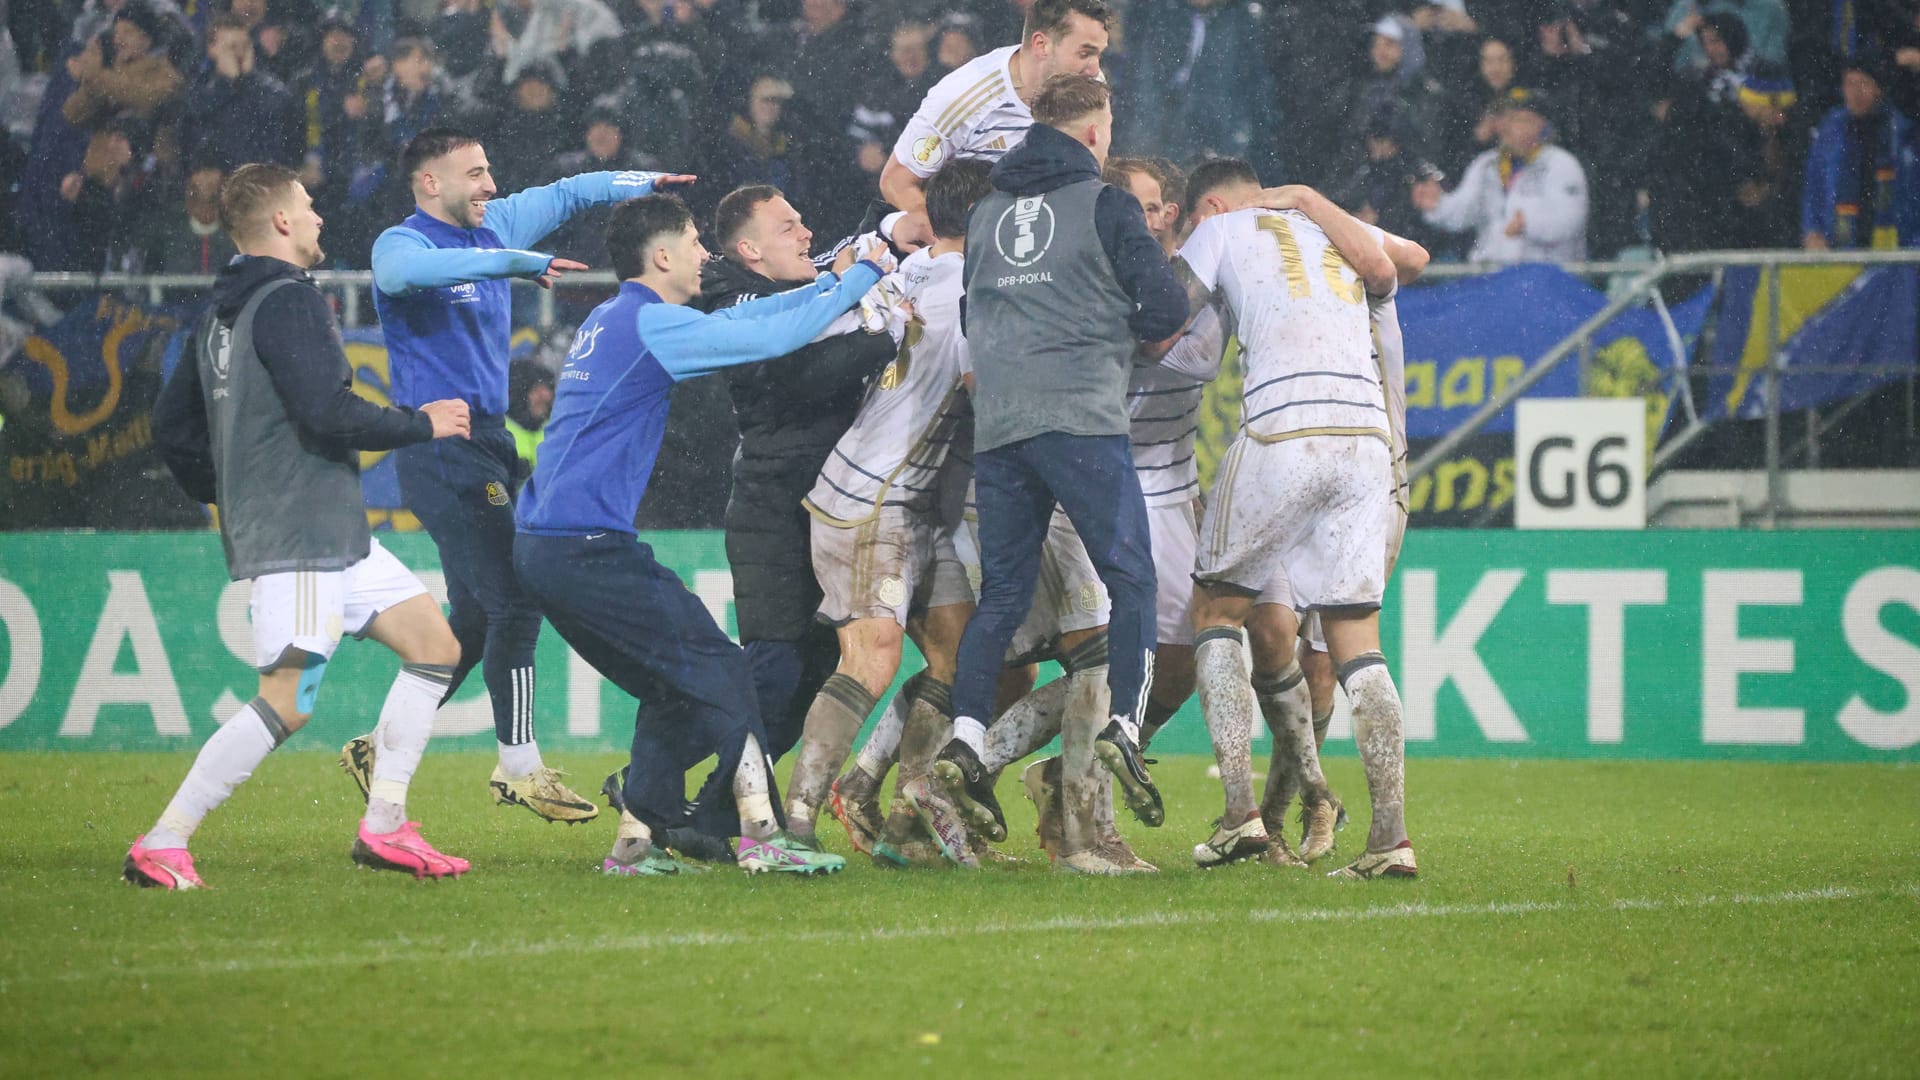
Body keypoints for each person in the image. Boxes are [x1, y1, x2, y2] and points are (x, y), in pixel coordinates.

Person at [512, 192, 894, 876]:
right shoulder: (652, 324)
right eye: (693, 243)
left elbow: (765, 317)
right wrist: (864, 279)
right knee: (724, 670)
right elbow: (769, 339)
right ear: (661, 256)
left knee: (672, 684)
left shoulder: (616, 317)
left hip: (549, 544)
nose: (703, 255)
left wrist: (835, 282)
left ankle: (635, 841)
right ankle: (760, 837)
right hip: (584, 546)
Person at [133, 163, 475, 889]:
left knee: (436, 647)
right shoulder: (288, 301)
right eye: (310, 206)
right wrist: (423, 424)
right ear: (282, 222)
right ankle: (163, 840)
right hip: (299, 533)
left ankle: (385, 826)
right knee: (287, 702)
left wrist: (232, 492)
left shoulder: (220, 312)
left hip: (324, 527)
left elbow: (172, 428)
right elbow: (327, 411)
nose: (320, 217)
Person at [347, 126, 692, 822]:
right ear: (430, 184)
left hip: (492, 438)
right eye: (473, 174)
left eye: (489, 171)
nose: (490, 186)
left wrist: (641, 182)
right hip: (436, 443)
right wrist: (505, 262)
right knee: (515, 599)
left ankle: (381, 747)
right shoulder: (402, 242)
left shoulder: (494, 224)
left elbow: (570, 193)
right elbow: (400, 279)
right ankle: (519, 767)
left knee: (475, 618)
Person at [939, 74, 1187, 871]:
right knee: (1132, 578)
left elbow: (974, 318)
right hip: (1081, 416)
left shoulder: (985, 212)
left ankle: (968, 741)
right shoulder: (1107, 206)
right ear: (1092, 132)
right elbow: (1165, 312)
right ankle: (1124, 728)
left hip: (1002, 426)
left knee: (1003, 598)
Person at [1171, 159, 1416, 881]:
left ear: (1210, 205)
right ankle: (1389, 838)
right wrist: (1313, 197)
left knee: (1216, 611)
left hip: (1284, 426)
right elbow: (1404, 263)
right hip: (1367, 439)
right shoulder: (1329, 227)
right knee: (1355, 638)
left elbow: (1164, 311)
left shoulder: (1218, 231)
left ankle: (1239, 814)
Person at [785, 158, 993, 858]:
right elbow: (981, 384)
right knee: (872, 657)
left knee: (956, 652)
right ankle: (794, 823)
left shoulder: (910, 272)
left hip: (884, 492)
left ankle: (907, 809)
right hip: (879, 499)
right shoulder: (972, 287)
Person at [878, 0, 1112, 248]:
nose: (1095, 68)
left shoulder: (1091, 85)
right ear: (1041, 45)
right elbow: (897, 180)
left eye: (1099, 53)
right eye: (1085, 53)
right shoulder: (961, 97)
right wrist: (951, 243)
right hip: (979, 247)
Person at [1412, 87, 1589, 262]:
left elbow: (1569, 222)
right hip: (1494, 276)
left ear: (1539, 125)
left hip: (1548, 276)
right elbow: (1465, 211)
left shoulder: (1561, 164)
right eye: (1504, 119)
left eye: (1516, 120)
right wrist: (1437, 206)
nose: (1506, 127)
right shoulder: (1486, 164)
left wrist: (1528, 224)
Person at [1802, 61, 1918, 250]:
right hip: (1840, 248)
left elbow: (1913, 195)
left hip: (1895, 249)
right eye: (1849, 84)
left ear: (1878, 89)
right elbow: (1814, 186)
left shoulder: (1902, 135)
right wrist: (1813, 230)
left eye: (1863, 83)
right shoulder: (1831, 132)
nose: (1855, 92)